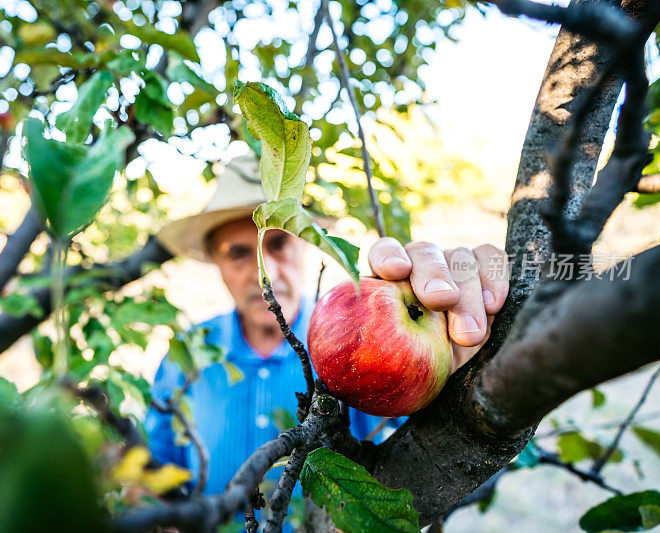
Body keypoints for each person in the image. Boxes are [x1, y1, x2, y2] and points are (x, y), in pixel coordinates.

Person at [146, 154, 510, 498]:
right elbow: (155, 473)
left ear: (305, 244)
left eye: (280, 243)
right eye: (239, 254)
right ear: (215, 263)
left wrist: (459, 381)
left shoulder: (362, 348)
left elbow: (427, 469)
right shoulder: (186, 355)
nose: (265, 274)